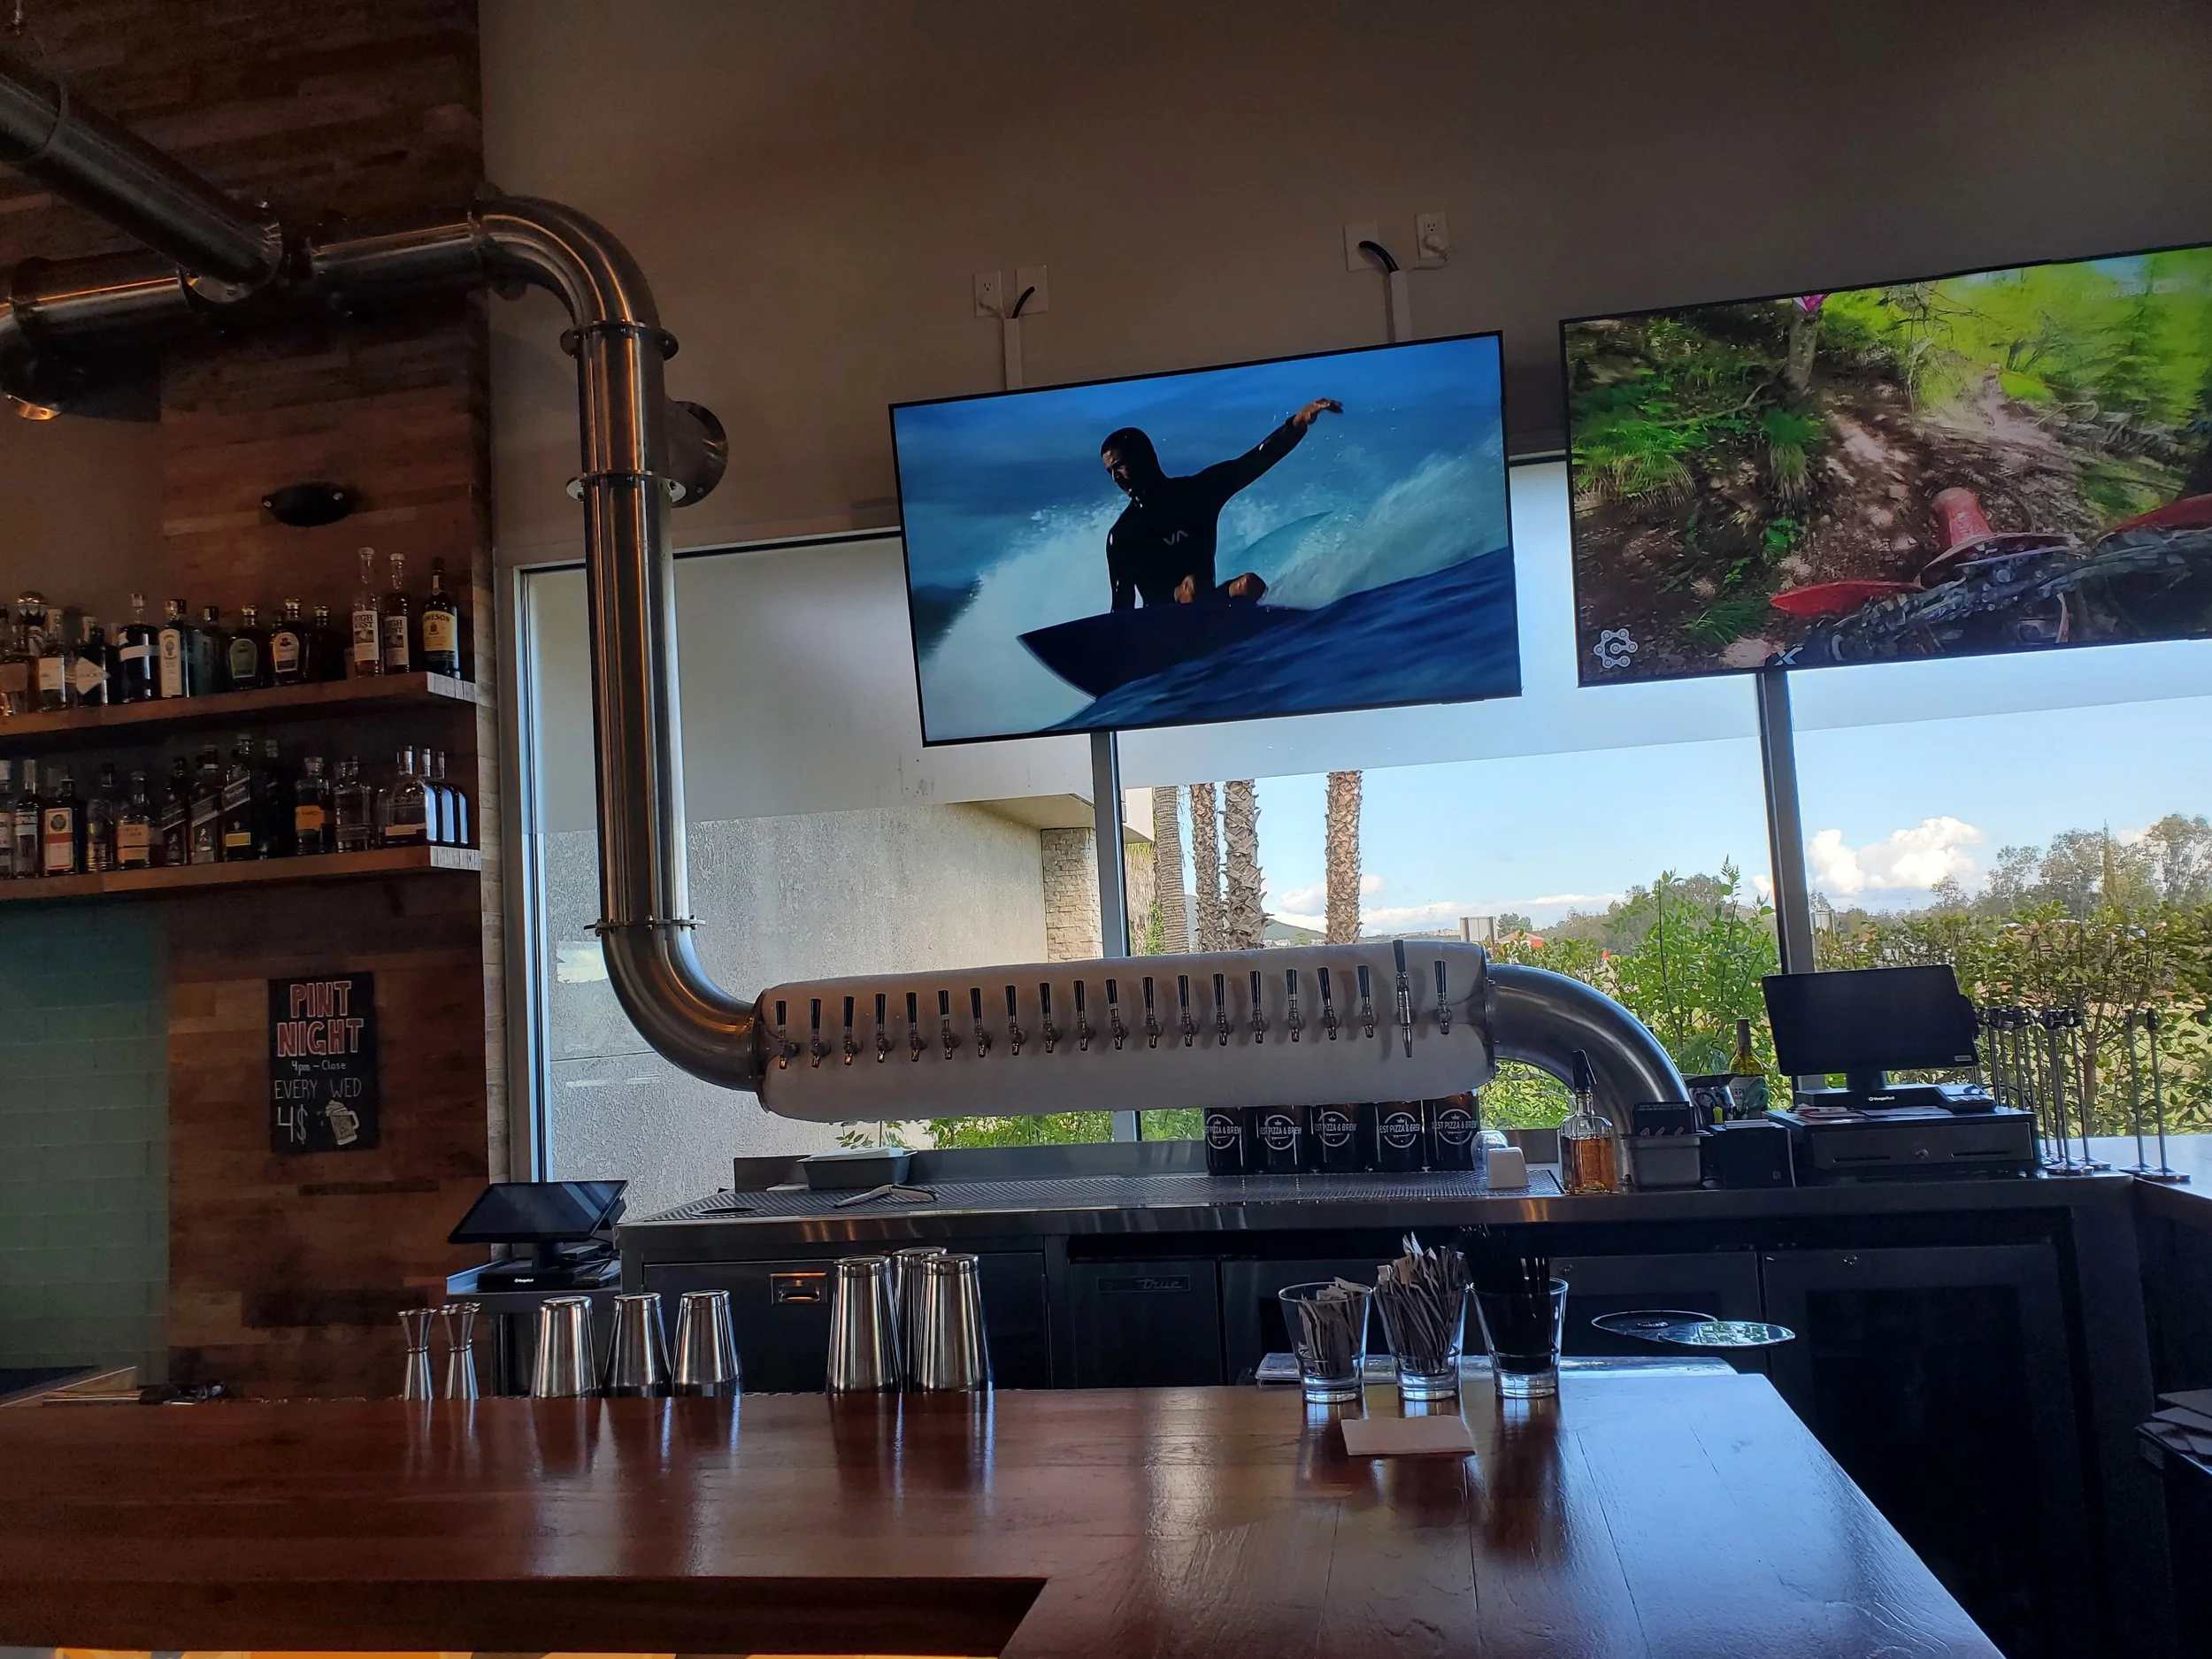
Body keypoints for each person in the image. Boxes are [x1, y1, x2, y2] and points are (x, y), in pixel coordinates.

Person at [1102, 397, 1341, 611]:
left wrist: (1297, 423)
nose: (1116, 478)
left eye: (1120, 465)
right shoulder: (1122, 535)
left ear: (1145, 456)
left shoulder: (1198, 492)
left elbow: (1254, 461)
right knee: (1190, 588)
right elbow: (1121, 611)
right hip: (1160, 622)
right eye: (1110, 471)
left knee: (1249, 585)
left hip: (1209, 607)